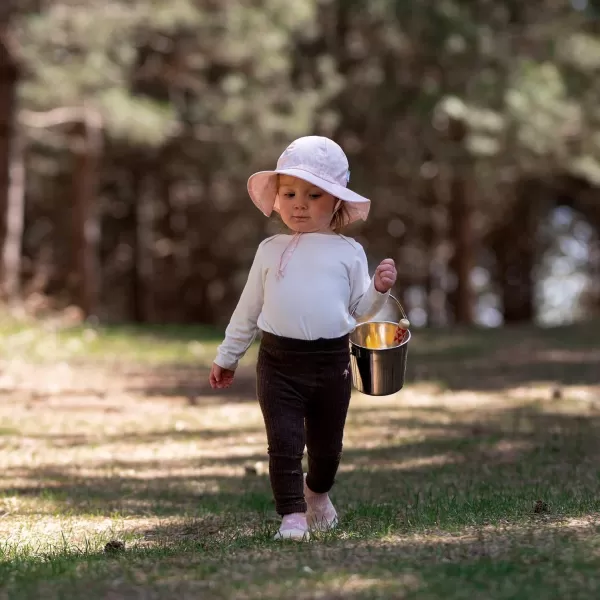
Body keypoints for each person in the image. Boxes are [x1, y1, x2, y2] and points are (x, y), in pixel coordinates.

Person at [209, 136, 397, 540]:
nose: (299, 204)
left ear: (337, 203)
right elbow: (248, 308)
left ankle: (317, 494)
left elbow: (359, 313)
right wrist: (228, 355)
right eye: (290, 193)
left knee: (327, 451)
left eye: (314, 195)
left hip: (331, 364)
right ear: (277, 198)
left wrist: (378, 290)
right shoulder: (270, 249)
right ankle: (292, 517)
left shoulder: (349, 252)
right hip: (278, 363)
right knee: (284, 443)